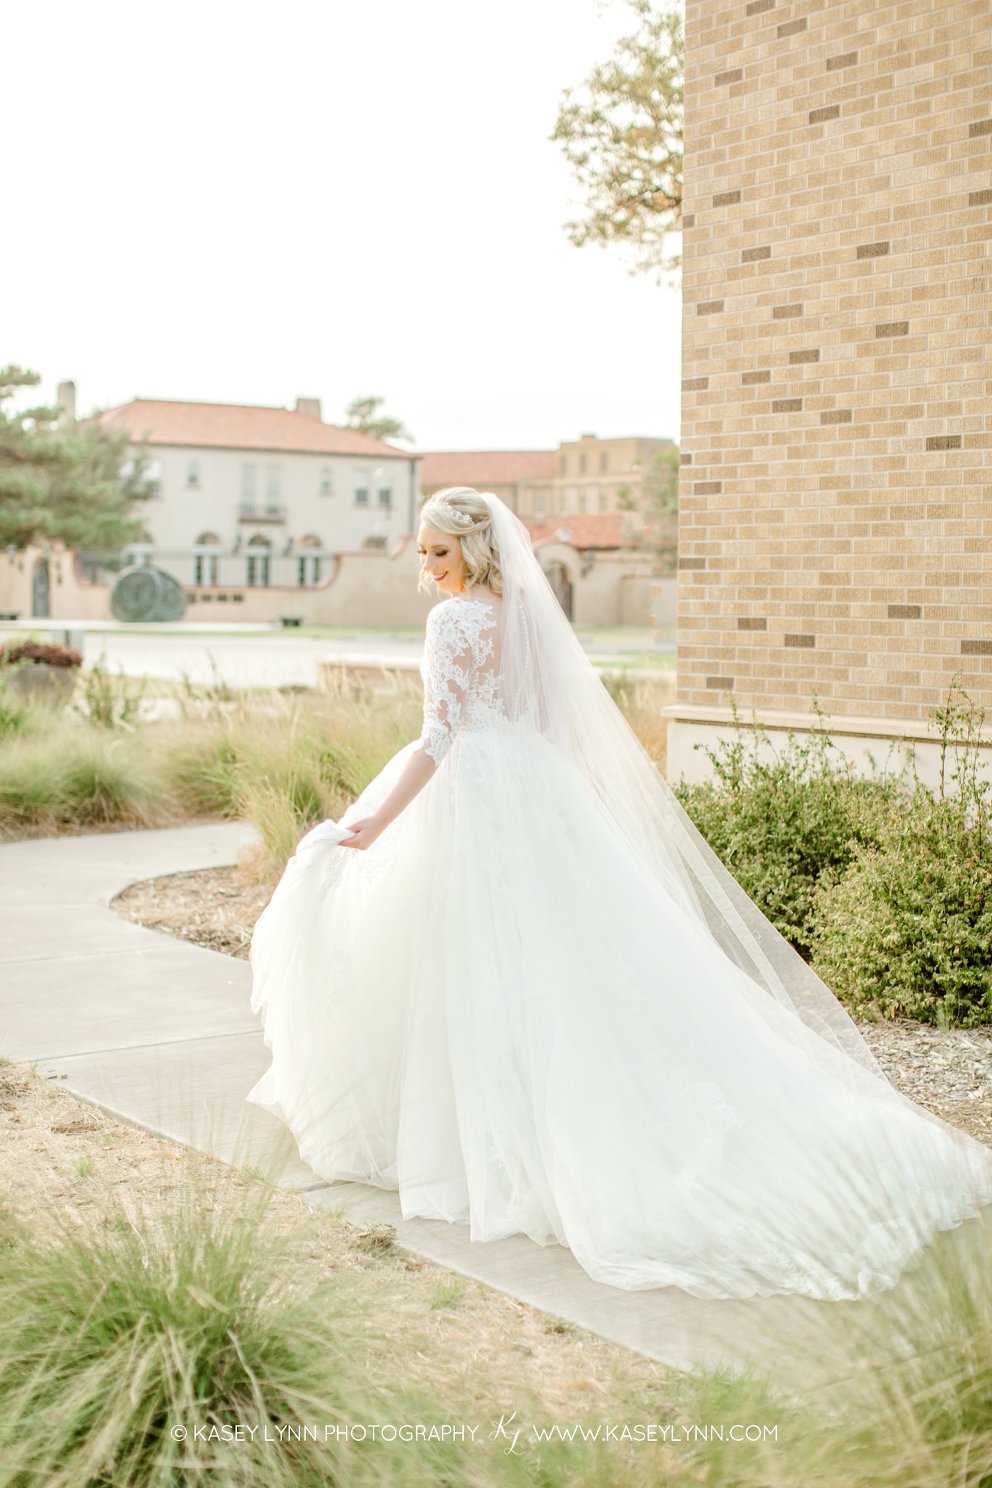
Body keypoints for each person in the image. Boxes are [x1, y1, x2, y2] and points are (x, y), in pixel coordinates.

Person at [246, 486, 992, 1301]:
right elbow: (548, 723)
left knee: (478, 961)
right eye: (423, 553)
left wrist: (377, 821)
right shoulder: (528, 616)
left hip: (475, 797)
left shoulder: (453, 622)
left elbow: (438, 736)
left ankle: (490, 1142)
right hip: (537, 790)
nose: (428, 568)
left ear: (475, 548)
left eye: (440, 552)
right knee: (561, 964)